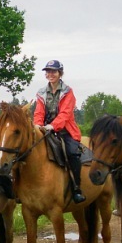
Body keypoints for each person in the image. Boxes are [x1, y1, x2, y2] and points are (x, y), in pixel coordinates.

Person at [33, 60, 86, 204]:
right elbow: (38, 112)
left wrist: (52, 126)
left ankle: (76, 188)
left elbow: (65, 114)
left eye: (53, 71)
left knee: (72, 153)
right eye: (48, 71)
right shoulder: (41, 92)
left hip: (65, 130)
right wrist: (38, 125)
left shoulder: (68, 91)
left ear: (60, 73)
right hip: (45, 130)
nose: (50, 74)